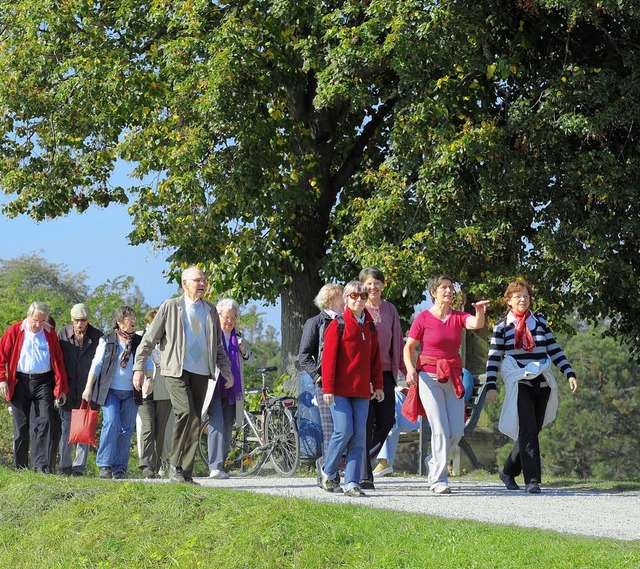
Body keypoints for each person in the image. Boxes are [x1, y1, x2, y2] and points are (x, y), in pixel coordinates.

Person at [133, 266, 233, 484]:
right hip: (175, 370)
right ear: (185, 282)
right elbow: (149, 340)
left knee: (196, 420)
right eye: (197, 279)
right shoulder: (171, 307)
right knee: (185, 411)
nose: (203, 283)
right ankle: (175, 466)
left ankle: (185, 472)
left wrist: (226, 369)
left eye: (204, 280)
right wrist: (139, 367)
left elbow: (217, 346)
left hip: (201, 371)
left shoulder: (210, 311)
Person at [485, 278, 578, 494]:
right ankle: (532, 480)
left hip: (542, 380)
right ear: (508, 300)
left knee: (532, 430)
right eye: (518, 296)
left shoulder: (540, 322)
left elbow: (554, 349)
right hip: (520, 381)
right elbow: (494, 358)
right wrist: (491, 385)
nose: (523, 300)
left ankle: (508, 471)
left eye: (526, 296)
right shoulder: (502, 327)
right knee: (527, 428)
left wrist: (569, 373)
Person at [403, 275, 488, 494]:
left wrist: (479, 311)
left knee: (457, 430)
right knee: (439, 428)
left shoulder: (458, 316)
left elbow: (476, 324)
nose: (449, 291)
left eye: (451, 288)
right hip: (428, 377)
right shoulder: (422, 318)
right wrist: (410, 369)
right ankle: (439, 479)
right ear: (434, 293)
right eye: (444, 288)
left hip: (453, 376)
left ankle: (433, 459)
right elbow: (408, 348)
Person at [320, 280, 384, 497]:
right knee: (344, 431)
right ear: (346, 299)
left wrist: (379, 385)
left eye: (363, 296)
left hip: (362, 391)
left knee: (359, 436)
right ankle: (327, 472)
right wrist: (327, 388)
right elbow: (328, 360)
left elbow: (375, 360)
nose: (358, 299)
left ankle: (352, 483)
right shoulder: (336, 325)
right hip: (338, 390)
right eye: (354, 296)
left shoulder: (371, 326)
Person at [83, 305, 151, 479]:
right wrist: (88, 387)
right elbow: (96, 364)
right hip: (110, 391)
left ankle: (119, 467)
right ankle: (105, 464)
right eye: (129, 319)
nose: (133, 321)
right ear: (119, 322)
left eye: (134, 318)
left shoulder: (139, 341)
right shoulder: (107, 340)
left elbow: (148, 363)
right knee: (112, 423)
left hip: (131, 392)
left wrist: (149, 380)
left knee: (126, 430)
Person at [0, 301, 68, 472]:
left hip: (44, 382)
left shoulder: (50, 334)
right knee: (21, 426)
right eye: (35, 320)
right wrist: (2, 379)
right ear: (28, 316)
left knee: (44, 422)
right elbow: (1, 356)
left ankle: (41, 467)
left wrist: (62, 389)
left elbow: (59, 363)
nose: (38, 325)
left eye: (42, 321)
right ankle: (21, 468)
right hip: (20, 381)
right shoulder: (15, 331)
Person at [373, 369, 475, 477]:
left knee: (391, 413)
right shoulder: (428, 369)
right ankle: (383, 462)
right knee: (392, 404)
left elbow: (461, 400)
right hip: (416, 414)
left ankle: (384, 462)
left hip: (431, 417)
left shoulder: (462, 373)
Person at [359, 267, 405, 488]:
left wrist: (405, 369)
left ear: (383, 285)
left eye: (377, 282)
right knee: (366, 422)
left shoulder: (390, 310)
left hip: (386, 372)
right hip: (363, 374)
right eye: (368, 283)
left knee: (387, 420)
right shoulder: (359, 309)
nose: (373, 287)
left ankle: (359, 460)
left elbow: (398, 341)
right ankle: (364, 474)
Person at [296, 283, 345, 490]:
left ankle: (331, 468)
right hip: (325, 385)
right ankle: (327, 473)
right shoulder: (315, 322)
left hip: (346, 384)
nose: (346, 301)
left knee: (345, 430)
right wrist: (318, 376)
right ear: (330, 299)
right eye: (342, 297)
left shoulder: (347, 322)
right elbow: (304, 356)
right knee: (331, 430)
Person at [205, 298, 253, 479]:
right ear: (218, 316)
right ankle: (215, 466)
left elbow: (250, 358)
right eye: (226, 317)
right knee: (216, 422)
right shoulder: (211, 334)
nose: (230, 321)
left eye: (233, 317)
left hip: (233, 389)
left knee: (227, 426)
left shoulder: (238, 336)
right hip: (214, 386)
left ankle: (221, 466)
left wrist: (244, 351)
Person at [57, 303, 104, 476]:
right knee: (67, 427)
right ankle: (64, 465)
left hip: (88, 390)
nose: (79, 324)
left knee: (84, 428)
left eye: (83, 320)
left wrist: (94, 389)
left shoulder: (98, 336)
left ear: (88, 320)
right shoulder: (62, 333)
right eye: (77, 320)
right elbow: (57, 361)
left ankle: (79, 468)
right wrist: (59, 389)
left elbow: (100, 365)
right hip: (68, 390)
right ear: (72, 320)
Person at [136, 308, 174, 479]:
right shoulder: (140, 338)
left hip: (165, 390)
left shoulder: (170, 340)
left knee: (161, 430)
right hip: (145, 390)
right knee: (147, 426)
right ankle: (146, 465)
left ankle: (157, 466)